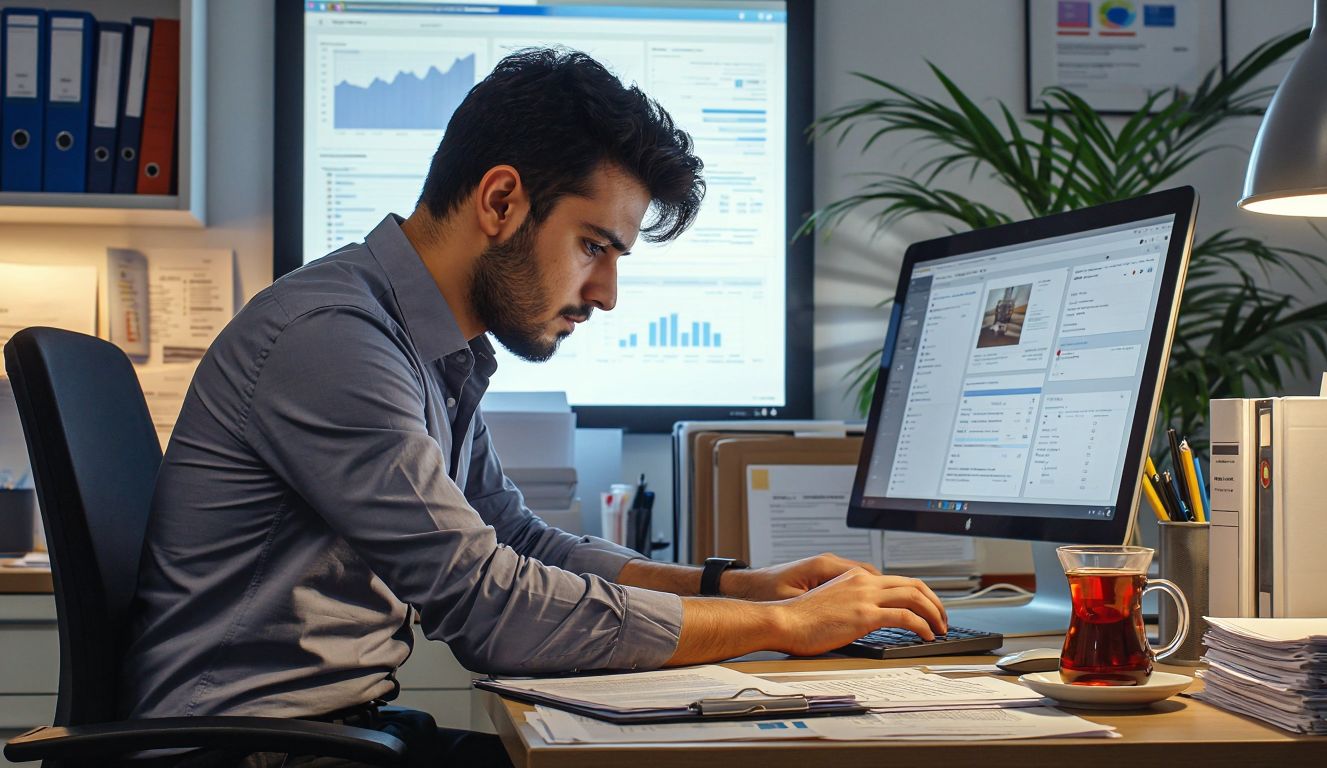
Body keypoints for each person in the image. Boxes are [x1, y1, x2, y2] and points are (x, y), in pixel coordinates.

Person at [122, 48, 947, 766]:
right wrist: (784, 626)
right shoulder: (333, 339)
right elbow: (491, 609)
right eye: (593, 246)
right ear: (500, 201)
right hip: (244, 751)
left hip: (335, 735)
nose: (608, 293)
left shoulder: (426, 347)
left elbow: (518, 540)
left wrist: (743, 589)